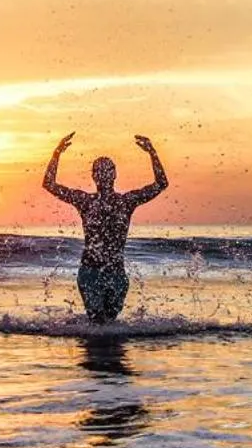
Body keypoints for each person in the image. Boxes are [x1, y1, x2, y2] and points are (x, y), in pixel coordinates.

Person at [42, 132, 168, 323]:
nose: (103, 174)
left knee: (110, 325)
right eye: (99, 170)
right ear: (93, 176)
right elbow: (49, 184)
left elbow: (161, 184)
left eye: (108, 170)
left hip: (117, 273)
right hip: (90, 271)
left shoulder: (126, 202)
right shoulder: (85, 201)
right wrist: (56, 153)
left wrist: (152, 152)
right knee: (97, 324)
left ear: (115, 174)